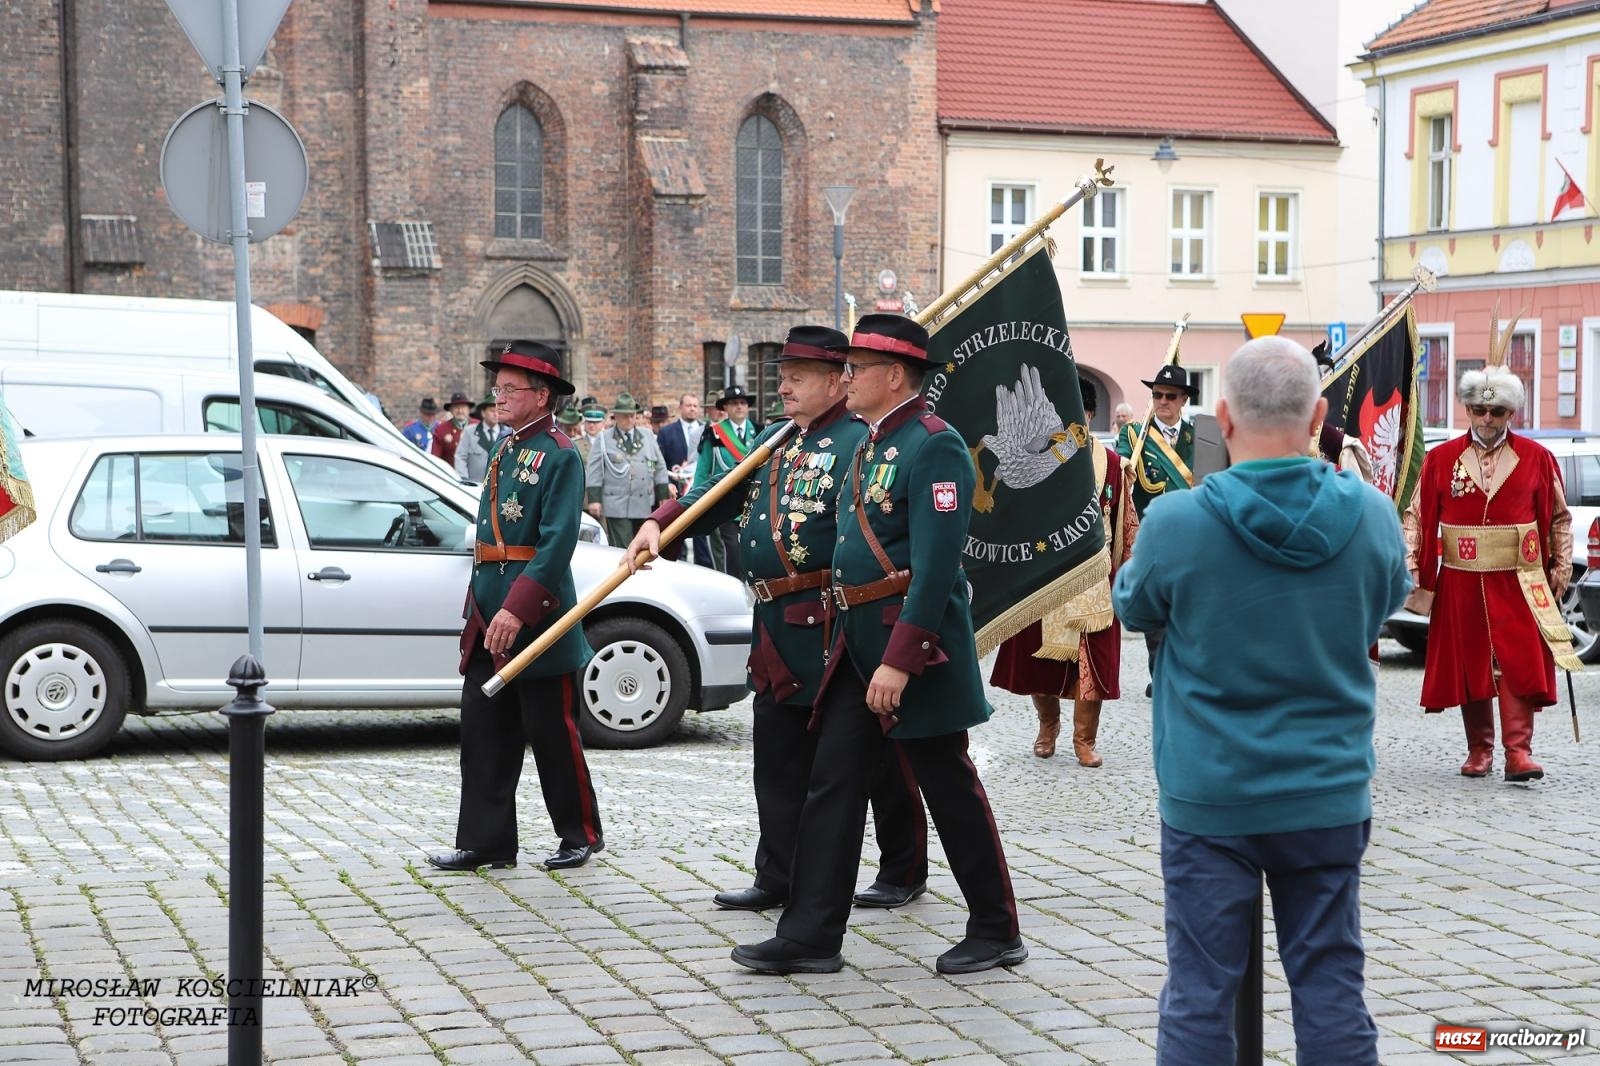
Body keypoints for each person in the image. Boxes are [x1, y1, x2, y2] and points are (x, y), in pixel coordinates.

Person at [1112, 337, 1409, 1066]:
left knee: (1199, 991)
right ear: (1316, 417)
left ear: (1222, 416)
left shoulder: (1178, 522)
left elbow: (1134, 609)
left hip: (1212, 795)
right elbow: (1385, 603)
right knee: (1331, 981)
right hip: (1327, 791)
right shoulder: (1371, 517)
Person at [731, 314, 1023, 977]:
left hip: (912, 652)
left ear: (895, 376)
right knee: (831, 787)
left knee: (949, 786)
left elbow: (938, 565)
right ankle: (809, 934)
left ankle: (997, 928)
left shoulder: (934, 446)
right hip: (855, 646)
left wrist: (900, 658)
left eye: (856, 369)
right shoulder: (870, 445)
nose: (847, 378)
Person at [625, 325, 927, 915]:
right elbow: (718, 493)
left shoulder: (860, 442)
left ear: (838, 380)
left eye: (797, 377)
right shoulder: (777, 437)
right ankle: (778, 873)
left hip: (834, 621)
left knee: (873, 758)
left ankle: (902, 867)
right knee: (778, 755)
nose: (783, 386)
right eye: (782, 375)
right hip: (774, 620)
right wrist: (662, 521)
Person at [427, 340, 604, 874]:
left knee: (553, 734)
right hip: (488, 610)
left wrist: (518, 610)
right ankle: (487, 841)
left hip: (538, 616)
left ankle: (579, 835)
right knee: (484, 733)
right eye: (497, 388)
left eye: (509, 389)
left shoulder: (560, 453)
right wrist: (485, 605)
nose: (497, 397)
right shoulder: (507, 448)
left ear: (542, 394)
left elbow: (556, 544)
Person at [1402, 340, 1576, 782]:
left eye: (1496, 412)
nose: (1486, 419)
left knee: (1517, 662)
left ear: (1510, 413)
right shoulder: (1441, 459)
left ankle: (1519, 752)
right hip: (1463, 579)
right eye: (1478, 411)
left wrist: (1560, 569)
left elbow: (1558, 517)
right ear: (1467, 410)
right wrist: (1411, 566)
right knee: (1471, 661)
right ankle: (1479, 750)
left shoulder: (1538, 458)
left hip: (1519, 579)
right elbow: (1417, 516)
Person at [990, 380, 1137, 765]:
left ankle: (1084, 740)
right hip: (1045, 571)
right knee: (1038, 659)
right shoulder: (1036, 460)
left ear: (1089, 415)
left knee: (1095, 661)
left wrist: (1123, 575)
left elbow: (1125, 523)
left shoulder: (1115, 465)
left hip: (1094, 574)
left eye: (1080, 412)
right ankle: (1047, 726)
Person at [1116, 365, 1197, 697]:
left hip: (1193, 535)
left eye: (1169, 396)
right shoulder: (1134, 436)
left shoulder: (1199, 436)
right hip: (1153, 535)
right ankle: (1160, 674)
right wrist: (1124, 468)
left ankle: (1188, 672)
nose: (1162, 402)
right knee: (1156, 611)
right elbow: (1118, 471)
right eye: (1157, 395)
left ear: (1183, 400)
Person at [586, 393, 670, 547]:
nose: (630, 420)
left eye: (632, 415)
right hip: (616, 502)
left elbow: (659, 466)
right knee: (622, 548)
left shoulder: (647, 436)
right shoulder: (604, 439)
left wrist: (663, 494)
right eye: (625, 416)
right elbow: (594, 470)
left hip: (643, 501)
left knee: (643, 547)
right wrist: (594, 499)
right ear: (616, 416)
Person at [695, 385, 757, 575]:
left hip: (753, 501)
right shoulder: (714, 434)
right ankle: (732, 585)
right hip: (726, 501)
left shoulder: (761, 432)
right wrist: (696, 500)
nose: (739, 407)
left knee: (751, 546)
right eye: (734, 403)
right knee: (730, 548)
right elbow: (703, 469)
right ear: (726, 409)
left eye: (742, 403)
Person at [657, 392, 710, 565]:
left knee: (700, 530)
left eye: (695, 406)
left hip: (699, 488)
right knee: (676, 529)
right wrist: (667, 485)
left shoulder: (708, 431)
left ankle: (704, 565)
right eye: (688, 405)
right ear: (680, 408)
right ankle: (677, 562)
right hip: (675, 489)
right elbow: (660, 462)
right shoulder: (666, 432)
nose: (692, 409)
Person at [453, 395, 507, 482]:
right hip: (475, 485)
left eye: (498, 410)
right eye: (492, 411)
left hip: (498, 486)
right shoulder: (470, 431)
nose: (496, 414)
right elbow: (460, 456)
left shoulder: (507, 433)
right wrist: (464, 479)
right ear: (483, 413)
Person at [432, 391, 475, 468]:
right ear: (451, 410)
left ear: (468, 409)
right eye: (456, 407)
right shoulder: (441, 429)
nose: (460, 411)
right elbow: (435, 458)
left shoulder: (478, 426)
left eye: (463, 407)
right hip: (451, 476)